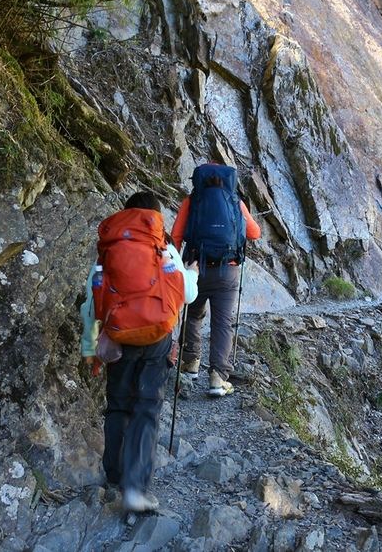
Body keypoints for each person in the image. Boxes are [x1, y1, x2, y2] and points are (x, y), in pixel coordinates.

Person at [80, 191, 199, 512]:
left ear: (126, 211)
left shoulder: (111, 246)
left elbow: (92, 299)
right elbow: (187, 294)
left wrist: (90, 346)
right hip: (156, 336)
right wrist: (193, 274)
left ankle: (114, 475)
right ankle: (135, 488)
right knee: (147, 406)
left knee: (118, 404)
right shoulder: (162, 243)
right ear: (156, 216)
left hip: (118, 335)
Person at [171, 170, 261, 397]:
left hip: (195, 267)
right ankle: (217, 377)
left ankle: (191, 364)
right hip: (227, 270)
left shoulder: (192, 201)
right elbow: (255, 233)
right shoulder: (234, 200)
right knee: (223, 323)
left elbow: (176, 236)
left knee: (192, 315)